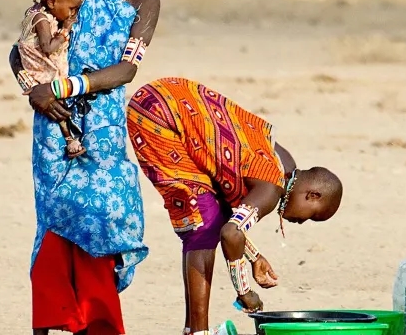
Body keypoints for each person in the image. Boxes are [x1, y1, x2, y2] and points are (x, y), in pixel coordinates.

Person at [9, 0, 162, 335]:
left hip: (103, 128)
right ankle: (52, 321)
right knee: (57, 219)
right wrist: (32, 88)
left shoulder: (144, 2)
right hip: (54, 126)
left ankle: (98, 324)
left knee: (104, 218)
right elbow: (19, 49)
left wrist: (60, 85)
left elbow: (127, 69)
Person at [126, 77, 343, 334]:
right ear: (313, 195)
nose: (300, 222)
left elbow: (228, 212)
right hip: (160, 117)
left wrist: (254, 257)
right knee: (201, 227)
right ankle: (198, 332)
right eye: (311, 217)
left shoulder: (284, 164)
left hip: (167, 96)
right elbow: (231, 233)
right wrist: (244, 290)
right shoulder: (273, 188)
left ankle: (193, 330)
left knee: (208, 215)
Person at [16, 0, 87, 159]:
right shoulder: (41, 19)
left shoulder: (36, 12)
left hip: (34, 65)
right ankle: (70, 141)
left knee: (58, 103)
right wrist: (65, 31)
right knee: (58, 102)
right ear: (52, 2)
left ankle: (70, 138)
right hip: (40, 67)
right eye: (71, 9)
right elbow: (47, 47)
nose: (73, 14)